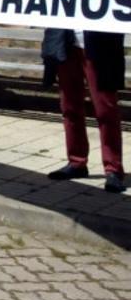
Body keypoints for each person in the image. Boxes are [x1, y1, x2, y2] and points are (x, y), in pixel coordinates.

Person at [42, 29, 125, 193]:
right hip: (65, 44)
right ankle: (76, 162)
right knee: (69, 106)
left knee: (105, 110)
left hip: (100, 46)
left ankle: (113, 169)